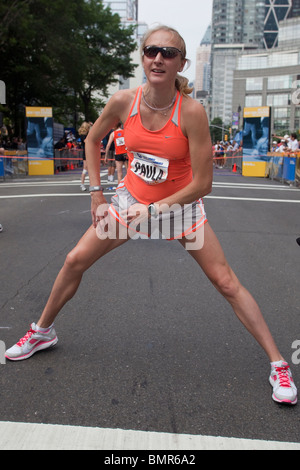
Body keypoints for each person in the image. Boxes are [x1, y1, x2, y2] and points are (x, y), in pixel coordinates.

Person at [5, 25, 297, 406]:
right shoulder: (123, 101)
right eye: (152, 50)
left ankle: (278, 364)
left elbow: (203, 184)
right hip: (130, 206)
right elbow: (93, 141)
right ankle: (43, 331)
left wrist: (157, 208)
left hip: (179, 210)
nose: (159, 58)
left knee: (226, 282)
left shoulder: (192, 112)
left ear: (181, 63)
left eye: (169, 53)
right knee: (75, 260)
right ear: (143, 57)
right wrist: (97, 195)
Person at [78, 122, 92, 191]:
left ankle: (84, 184)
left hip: (87, 152)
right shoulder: (83, 135)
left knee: (87, 168)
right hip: (86, 152)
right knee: (85, 168)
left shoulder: (84, 135)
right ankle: (82, 184)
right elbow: (87, 141)